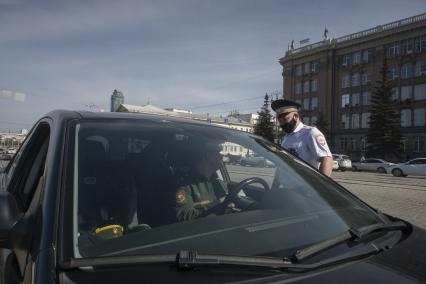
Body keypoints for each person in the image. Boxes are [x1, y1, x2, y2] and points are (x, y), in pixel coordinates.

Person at [174, 141, 235, 221]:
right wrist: (217, 205)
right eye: (216, 153)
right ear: (207, 156)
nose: (221, 156)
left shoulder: (218, 182)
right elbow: (184, 215)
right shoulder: (185, 185)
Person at [271, 99, 333, 176]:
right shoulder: (286, 138)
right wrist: (275, 185)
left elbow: (327, 159)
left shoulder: (310, 132)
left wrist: (321, 186)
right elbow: (283, 165)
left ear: (296, 116)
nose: (283, 124)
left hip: (306, 185)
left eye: (285, 119)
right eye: (280, 121)